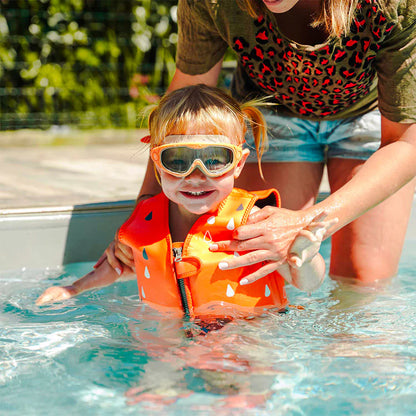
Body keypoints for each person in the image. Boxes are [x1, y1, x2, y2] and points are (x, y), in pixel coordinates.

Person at [101, 0, 416, 285]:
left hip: (371, 116)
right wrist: (145, 207)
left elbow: (405, 143)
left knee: (362, 284)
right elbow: (181, 109)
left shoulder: (393, 4)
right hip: (270, 115)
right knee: (259, 268)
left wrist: (308, 222)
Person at [36, 84, 334, 317]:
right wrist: (73, 289)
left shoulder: (254, 222)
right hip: (168, 332)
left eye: (215, 159)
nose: (195, 175)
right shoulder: (146, 220)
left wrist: (304, 257)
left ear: (239, 163)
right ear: (157, 162)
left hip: (247, 333)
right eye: (177, 160)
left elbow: (308, 282)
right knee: (153, 391)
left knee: (241, 393)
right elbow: (113, 268)